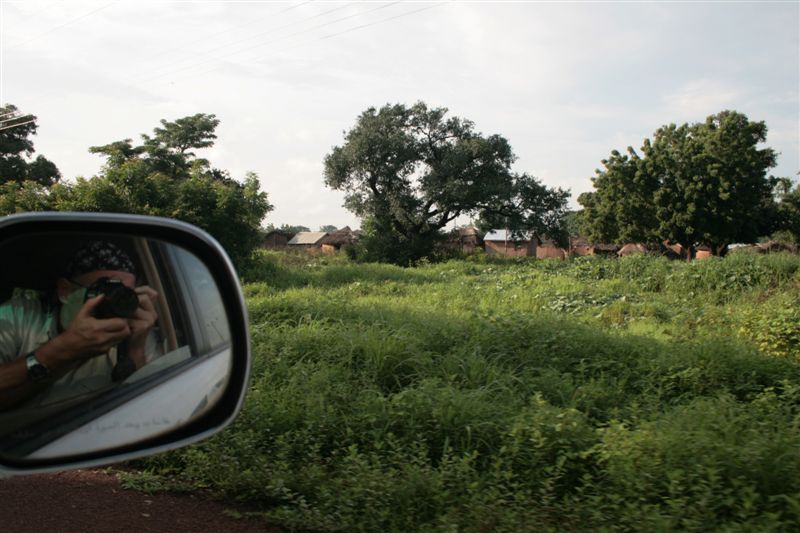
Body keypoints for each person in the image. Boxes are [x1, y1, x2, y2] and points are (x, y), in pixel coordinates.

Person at [0, 240, 159, 410]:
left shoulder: (137, 332)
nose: (113, 302)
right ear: (65, 291)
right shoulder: (18, 314)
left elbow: (145, 412)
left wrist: (134, 350)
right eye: (103, 290)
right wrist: (63, 351)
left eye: (124, 294)